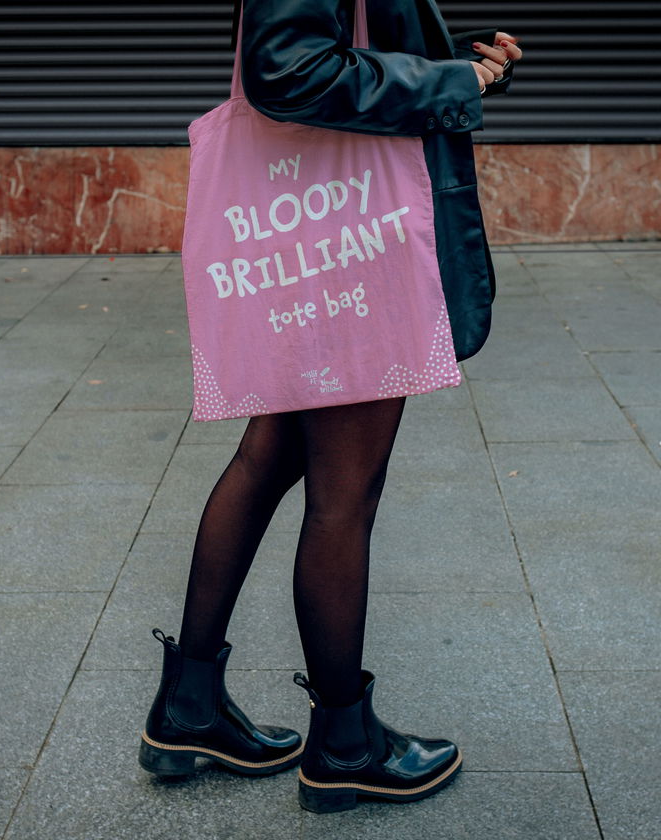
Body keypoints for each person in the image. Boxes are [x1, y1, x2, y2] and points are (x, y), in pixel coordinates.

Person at [138, 0, 522, 814]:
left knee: (272, 453)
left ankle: (189, 707)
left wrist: (453, 58)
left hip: (315, 235)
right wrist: (449, 78)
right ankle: (344, 744)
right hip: (349, 245)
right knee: (344, 491)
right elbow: (287, 67)